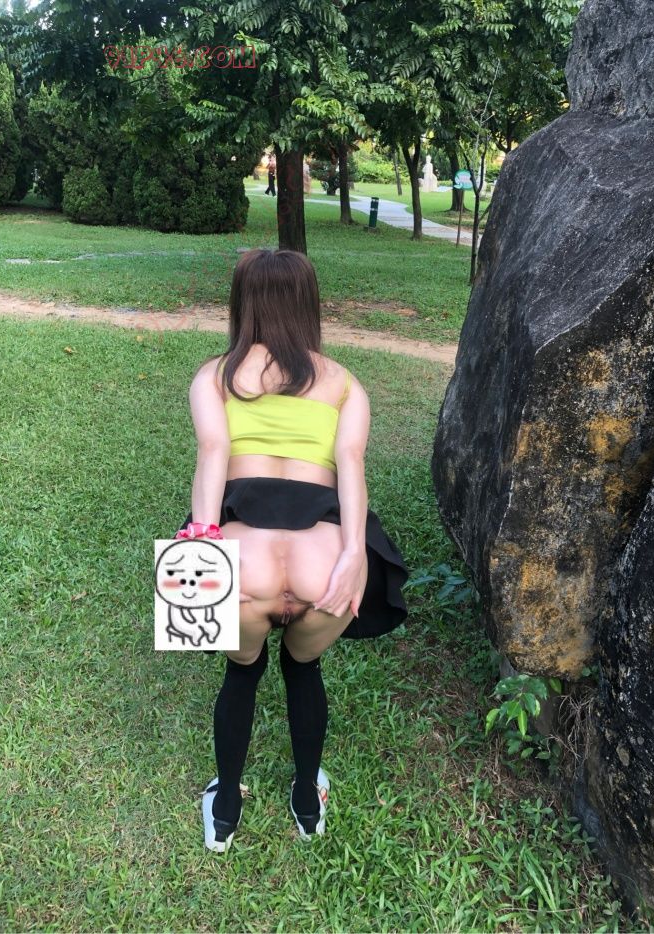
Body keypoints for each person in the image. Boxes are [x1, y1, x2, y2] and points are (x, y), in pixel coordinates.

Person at [175, 248, 409, 851]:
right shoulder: (343, 383)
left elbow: (212, 456)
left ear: (242, 303)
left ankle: (225, 810)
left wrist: (205, 546)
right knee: (303, 669)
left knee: (241, 672)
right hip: (322, 562)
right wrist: (353, 554)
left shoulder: (214, 376)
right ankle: (306, 800)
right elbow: (351, 467)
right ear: (309, 304)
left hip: (244, 560)